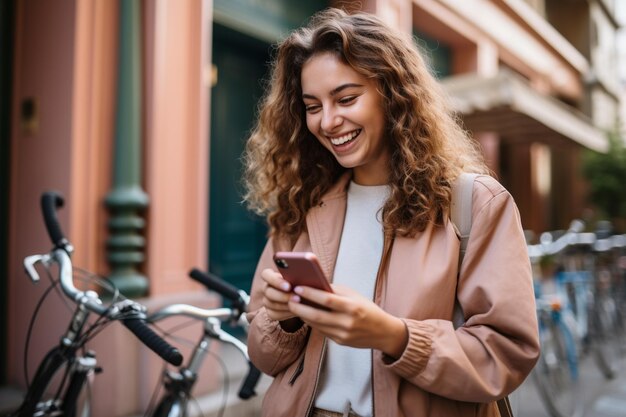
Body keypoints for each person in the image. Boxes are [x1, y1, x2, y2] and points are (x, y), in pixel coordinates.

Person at [242, 7, 539, 417]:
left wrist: (395, 336)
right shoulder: (302, 203)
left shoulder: (475, 204)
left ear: (393, 93)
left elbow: (507, 355)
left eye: (346, 98)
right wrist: (283, 320)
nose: (328, 121)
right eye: (312, 106)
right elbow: (262, 358)